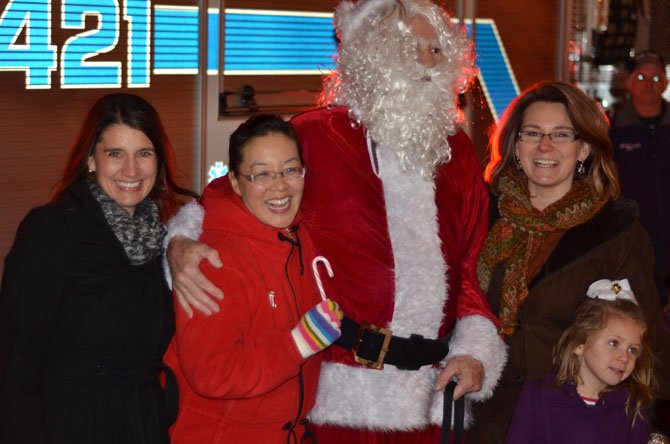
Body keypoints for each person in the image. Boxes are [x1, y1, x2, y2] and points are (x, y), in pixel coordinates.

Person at [165, 0, 507, 442]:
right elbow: (231, 195)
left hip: (431, 397)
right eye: (409, 49)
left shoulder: (457, 153)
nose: (426, 62)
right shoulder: (314, 136)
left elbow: (471, 269)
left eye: (435, 50)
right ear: (370, 56)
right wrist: (181, 242)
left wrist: (475, 352)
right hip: (339, 398)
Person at [468, 80, 670, 443]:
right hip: (484, 419)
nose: (545, 146)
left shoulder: (617, 233)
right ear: (515, 145)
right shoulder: (480, 216)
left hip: (574, 424)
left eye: (562, 135)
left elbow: (645, 339)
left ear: (584, 150)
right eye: (533, 133)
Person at [0, 93, 197, 444]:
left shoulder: (160, 239)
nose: (131, 170)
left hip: (143, 425)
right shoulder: (52, 230)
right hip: (70, 425)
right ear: (91, 159)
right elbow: (17, 364)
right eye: (115, 154)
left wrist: (179, 240)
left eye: (144, 154)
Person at [163, 114, 343, 443]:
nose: (280, 186)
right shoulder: (214, 260)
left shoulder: (301, 238)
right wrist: (296, 344)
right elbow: (212, 373)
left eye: (290, 169)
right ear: (234, 182)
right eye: (261, 174)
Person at [506, 279, 654, 444]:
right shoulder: (538, 396)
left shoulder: (633, 406)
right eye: (613, 343)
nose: (625, 357)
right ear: (579, 344)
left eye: (633, 350)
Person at [611, 50, 670, 308]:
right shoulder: (614, 129)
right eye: (642, 77)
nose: (649, 84)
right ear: (629, 83)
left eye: (656, 79)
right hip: (635, 234)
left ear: (666, 84)